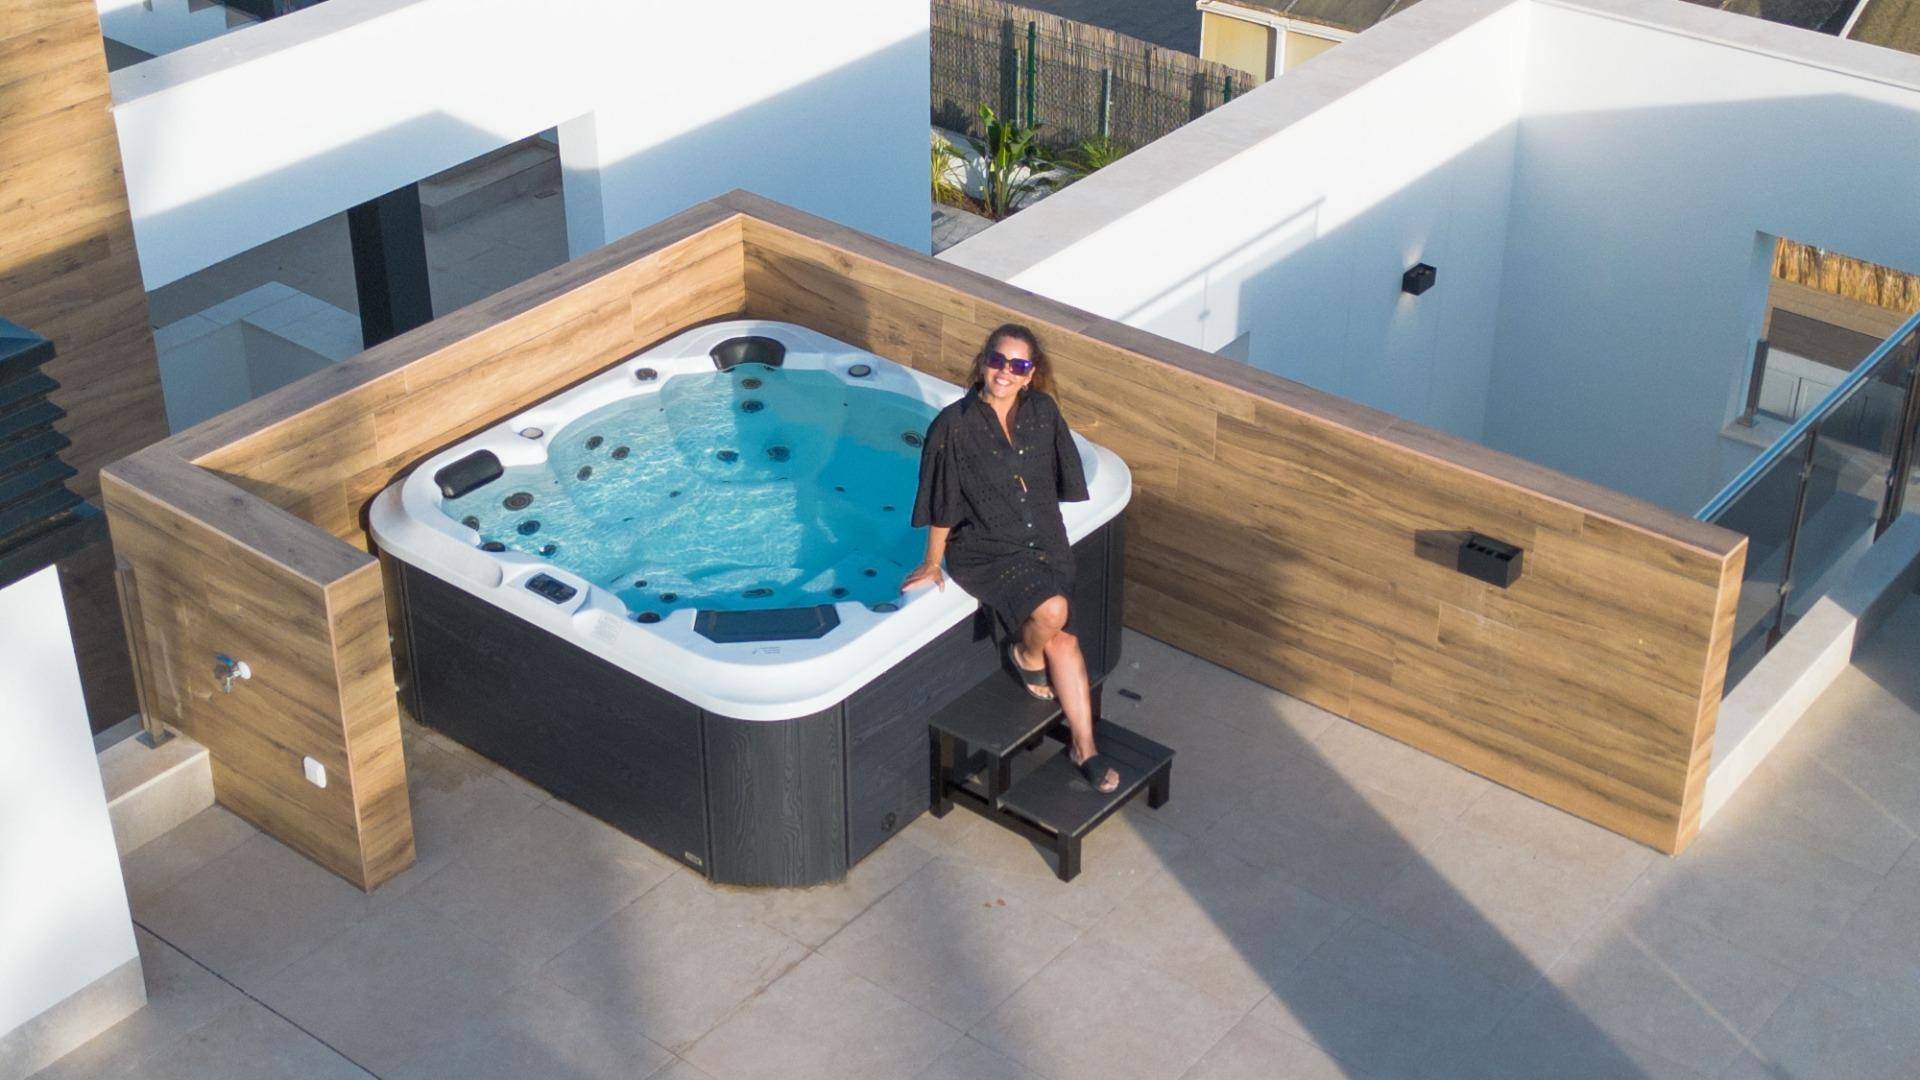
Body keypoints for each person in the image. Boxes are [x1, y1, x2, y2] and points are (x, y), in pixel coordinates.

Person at [902, 324, 1120, 794]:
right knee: (1053, 612)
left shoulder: (1042, 412)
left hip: (1044, 544)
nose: (1005, 372)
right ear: (984, 361)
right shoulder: (953, 425)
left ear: (1030, 374)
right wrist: (932, 562)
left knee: (1064, 641)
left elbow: (1054, 478)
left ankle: (1085, 748)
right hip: (985, 548)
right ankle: (1025, 653)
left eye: (1017, 365)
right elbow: (943, 502)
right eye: (997, 360)